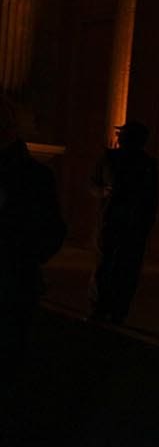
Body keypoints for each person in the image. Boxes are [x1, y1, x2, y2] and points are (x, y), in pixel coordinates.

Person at [0, 99, 66, 367]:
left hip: (15, 280)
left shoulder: (34, 177)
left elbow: (51, 230)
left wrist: (22, 257)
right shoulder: (36, 175)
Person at [90, 119, 159, 324]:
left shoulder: (146, 164)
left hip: (130, 223)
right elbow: (94, 184)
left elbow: (151, 198)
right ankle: (101, 307)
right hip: (112, 220)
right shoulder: (109, 158)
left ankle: (116, 310)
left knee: (125, 267)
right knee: (107, 265)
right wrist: (103, 192)